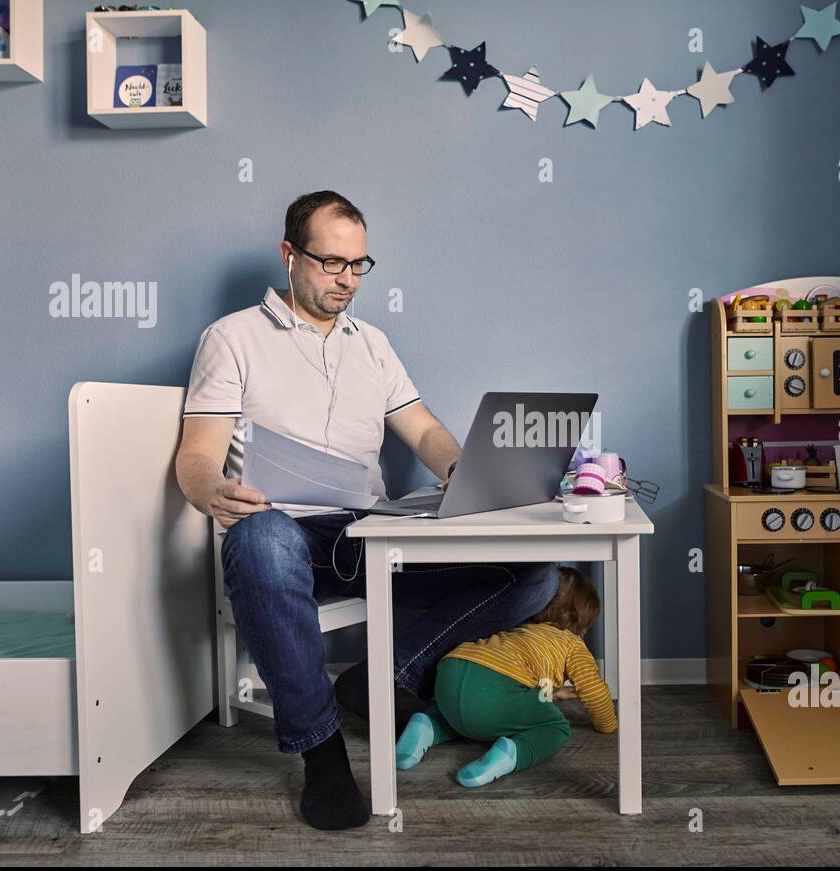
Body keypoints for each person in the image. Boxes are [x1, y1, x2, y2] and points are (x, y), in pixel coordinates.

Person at [174, 190, 558, 830]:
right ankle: (322, 756)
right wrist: (209, 490)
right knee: (261, 540)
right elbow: (196, 455)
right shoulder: (231, 338)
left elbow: (425, 431)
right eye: (331, 263)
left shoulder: (373, 344)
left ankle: (377, 681)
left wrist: (469, 473)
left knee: (534, 572)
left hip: (369, 534)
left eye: (359, 265)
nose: (347, 279)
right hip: (281, 533)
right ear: (289, 255)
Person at [395, 567, 616, 787]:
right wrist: (607, 724)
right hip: (495, 689)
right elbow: (593, 689)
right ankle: (510, 755)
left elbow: (535, 679)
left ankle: (427, 725)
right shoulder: (572, 645)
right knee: (555, 726)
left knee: (467, 713)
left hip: (451, 670)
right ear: (584, 623)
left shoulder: (519, 628)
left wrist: (553, 694)